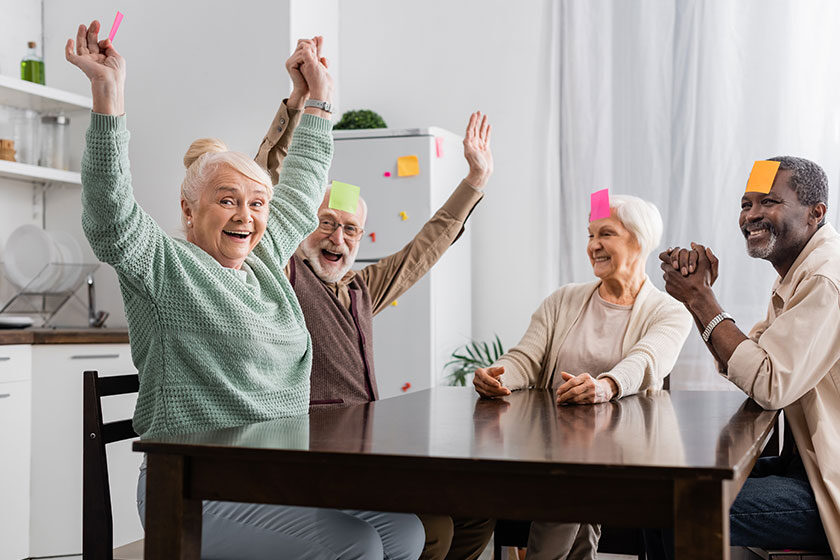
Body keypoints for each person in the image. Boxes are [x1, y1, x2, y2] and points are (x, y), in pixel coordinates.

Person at [66, 21, 423, 559]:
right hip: (195, 485)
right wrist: (107, 94)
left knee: (405, 531)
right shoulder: (165, 264)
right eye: (227, 199)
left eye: (257, 203)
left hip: (275, 476)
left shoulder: (263, 263)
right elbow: (110, 213)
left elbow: (302, 188)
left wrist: (320, 99)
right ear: (189, 210)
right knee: (357, 547)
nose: (247, 215)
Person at [254, 92, 495, 558]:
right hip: (317, 460)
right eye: (325, 222)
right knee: (436, 531)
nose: (337, 237)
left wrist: (476, 179)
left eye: (350, 230)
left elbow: (424, 247)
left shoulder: (361, 289)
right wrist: (295, 106)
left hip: (369, 456)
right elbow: (267, 187)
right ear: (299, 225)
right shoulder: (285, 277)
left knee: (477, 510)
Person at [473, 195, 693, 560]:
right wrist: (498, 376)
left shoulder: (669, 311)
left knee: (570, 488)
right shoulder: (564, 299)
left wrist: (605, 386)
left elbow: (646, 361)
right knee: (571, 483)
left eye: (605, 233)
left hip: (628, 459)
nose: (593, 245)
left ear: (638, 240)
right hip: (556, 454)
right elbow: (525, 358)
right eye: (590, 235)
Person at [652, 156, 837, 557]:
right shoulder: (798, 273)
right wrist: (699, 298)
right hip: (805, 466)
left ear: (815, 213)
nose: (751, 215)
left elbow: (768, 383)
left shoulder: (824, 278)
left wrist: (701, 299)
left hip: (827, 482)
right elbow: (748, 360)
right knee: (661, 492)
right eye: (745, 203)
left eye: (768, 201)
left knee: (675, 508)